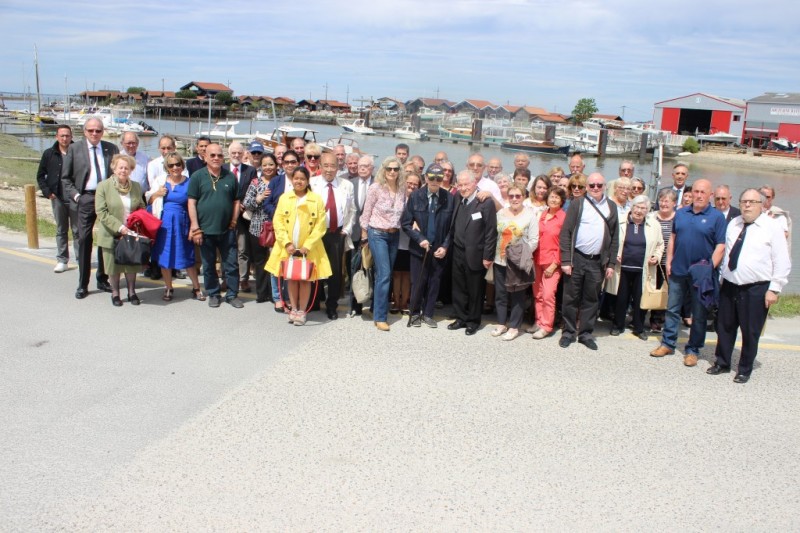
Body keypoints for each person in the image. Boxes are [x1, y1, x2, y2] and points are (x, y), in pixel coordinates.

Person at [707, 188, 791, 383]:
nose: (746, 205)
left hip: (756, 288)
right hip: (730, 284)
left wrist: (774, 288)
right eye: (744, 201)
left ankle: (744, 368)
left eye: (752, 202)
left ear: (761, 205)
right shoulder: (734, 224)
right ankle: (722, 362)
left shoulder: (772, 227)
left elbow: (782, 261)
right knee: (725, 326)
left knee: (750, 330)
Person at [650, 179, 727, 366]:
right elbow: (674, 238)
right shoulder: (682, 213)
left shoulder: (717, 217)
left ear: (710, 195)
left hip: (702, 274)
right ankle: (668, 343)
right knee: (673, 309)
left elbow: (721, 246)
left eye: (703, 192)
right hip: (678, 269)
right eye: (696, 192)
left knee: (699, 313)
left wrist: (710, 269)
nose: (699, 195)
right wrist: (668, 261)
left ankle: (693, 349)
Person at [559, 173, 619, 350]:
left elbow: (615, 238)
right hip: (577, 258)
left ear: (604, 186)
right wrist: (565, 260)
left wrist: (611, 264)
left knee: (591, 299)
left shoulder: (611, 206)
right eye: (591, 185)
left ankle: (585, 333)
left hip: (597, 261)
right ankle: (568, 332)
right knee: (570, 298)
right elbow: (566, 233)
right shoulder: (578, 203)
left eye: (598, 185)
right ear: (587, 187)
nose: (595, 188)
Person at [266, 166, 332, 326]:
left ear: (307, 180)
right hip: (287, 247)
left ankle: (302, 311)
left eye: (302, 179)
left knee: (304, 279)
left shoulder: (315, 199)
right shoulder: (284, 198)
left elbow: (320, 226)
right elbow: (278, 221)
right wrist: (286, 243)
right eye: (296, 178)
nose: (299, 181)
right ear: (292, 179)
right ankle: (293, 308)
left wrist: (308, 245)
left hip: (307, 248)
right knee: (291, 278)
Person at [61, 117, 118, 298]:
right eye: (91, 130)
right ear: (84, 131)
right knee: (85, 240)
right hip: (85, 197)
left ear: (103, 131)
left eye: (98, 130)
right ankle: (82, 284)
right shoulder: (74, 148)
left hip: (106, 198)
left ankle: (102, 279)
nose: (95, 133)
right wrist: (77, 196)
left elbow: (117, 173)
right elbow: (65, 178)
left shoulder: (111, 148)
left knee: (106, 239)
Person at [187, 143, 243, 309]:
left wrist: (233, 220)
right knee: (209, 265)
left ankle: (232, 294)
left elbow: (236, 200)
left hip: (227, 230)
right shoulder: (197, 177)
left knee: (232, 264)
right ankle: (213, 293)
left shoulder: (230, 177)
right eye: (212, 155)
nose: (216, 158)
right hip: (205, 230)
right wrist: (195, 228)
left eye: (219, 155)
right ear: (205, 157)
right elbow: (191, 203)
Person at [402, 164, 454, 328]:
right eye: (431, 177)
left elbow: (452, 228)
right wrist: (420, 239)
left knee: (434, 282)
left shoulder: (449, 198)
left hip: (439, 249)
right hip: (420, 248)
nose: (435, 181)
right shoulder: (416, 196)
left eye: (438, 178)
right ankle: (415, 313)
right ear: (426, 178)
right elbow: (406, 223)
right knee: (418, 282)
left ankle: (429, 313)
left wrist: (445, 246)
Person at [605, 195, 664, 340]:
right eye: (637, 207)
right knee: (621, 299)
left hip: (643, 269)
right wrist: (614, 255)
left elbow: (660, 244)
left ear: (647, 210)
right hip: (622, 267)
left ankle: (638, 327)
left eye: (643, 208)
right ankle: (618, 325)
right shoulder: (621, 222)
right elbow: (610, 240)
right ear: (631, 208)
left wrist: (656, 257)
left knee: (640, 300)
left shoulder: (654, 225)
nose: (639, 211)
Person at [447, 170, 498, 336]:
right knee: (458, 287)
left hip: (476, 253)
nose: (463, 188)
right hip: (458, 251)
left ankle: (473, 321)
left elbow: (491, 231)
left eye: (466, 184)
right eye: (460, 185)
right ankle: (461, 318)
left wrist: (488, 256)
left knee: (475, 290)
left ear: (474, 183)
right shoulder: (457, 199)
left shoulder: (485, 202)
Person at [149, 152, 204, 302]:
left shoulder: (190, 182)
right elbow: (148, 200)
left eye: (177, 164)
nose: (175, 167)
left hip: (182, 224)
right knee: (165, 257)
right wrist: (156, 194)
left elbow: (194, 204)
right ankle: (168, 287)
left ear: (182, 165)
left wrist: (194, 227)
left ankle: (196, 287)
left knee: (187, 256)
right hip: (164, 225)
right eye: (171, 165)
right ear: (167, 167)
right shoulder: (160, 181)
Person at [360, 157, 406, 331]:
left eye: (395, 169)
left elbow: (402, 213)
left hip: (394, 234)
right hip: (377, 233)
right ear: (383, 170)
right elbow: (366, 213)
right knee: (385, 274)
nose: (392, 172)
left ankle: (374, 308)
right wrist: (364, 236)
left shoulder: (401, 189)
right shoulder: (375, 188)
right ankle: (380, 317)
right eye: (389, 169)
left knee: (384, 275)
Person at [94, 154, 146, 306]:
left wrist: (136, 222)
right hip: (111, 233)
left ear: (131, 170)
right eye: (120, 167)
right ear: (114, 168)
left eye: (127, 168)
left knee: (131, 265)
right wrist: (120, 227)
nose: (123, 170)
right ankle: (116, 293)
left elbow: (141, 206)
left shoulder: (136, 186)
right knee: (113, 266)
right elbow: (101, 212)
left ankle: (132, 292)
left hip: (131, 232)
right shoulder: (103, 186)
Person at [310, 152, 355, 320]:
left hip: (337, 233)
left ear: (338, 167)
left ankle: (332, 305)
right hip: (316, 234)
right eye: (326, 166)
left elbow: (352, 210)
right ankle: (314, 301)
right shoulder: (311, 184)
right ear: (320, 166)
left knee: (335, 272)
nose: (329, 170)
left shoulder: (346, 185)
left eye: (333, 166)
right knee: (314, 268)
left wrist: (347, 230)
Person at [491, 184, 538, 341]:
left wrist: (518, 255)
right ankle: (501, 323)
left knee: (518, 295)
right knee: (501, 294)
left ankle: (514, 326)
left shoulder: (530, 215)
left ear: (523, 197)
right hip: (500, 259)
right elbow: (494, 235)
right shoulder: (500, 214)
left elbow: (534, 241)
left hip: (518, 263)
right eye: (511, 196)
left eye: (518, 196)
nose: (514, 199)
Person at [37, 125, 78, 273]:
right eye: (62, 135)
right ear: (57, 137)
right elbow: (40, 175)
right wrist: (48, 193)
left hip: (75, 198)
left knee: (77, 230)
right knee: (61, 229)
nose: (65, 138)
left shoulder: (78, 152)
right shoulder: (49, 154)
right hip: (57, 197)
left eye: (67, 135)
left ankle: (80, 259)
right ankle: (62, 260)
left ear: (71, 136)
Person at [242, 153, 279, 304]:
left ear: (276, 165)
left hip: (277, 227)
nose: (268, 168)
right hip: (258, 227)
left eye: (271, 164)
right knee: (260, 261)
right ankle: (262, 293)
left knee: (275, 261)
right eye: (265, 165)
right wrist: (259, 198)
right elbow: (247, 203)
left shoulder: (281, 181)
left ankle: (275, 293)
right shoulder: (255, 182)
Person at [532, 186, 566, 339]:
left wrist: (555, 264)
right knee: (537, 294)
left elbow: (564, 243)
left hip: (552, 262)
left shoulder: (563, 217)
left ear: (561, 201)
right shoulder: (542, 214)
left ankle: (547, 326)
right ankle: (539, 322)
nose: (553, 199)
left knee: (548, 295)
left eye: (556, 197)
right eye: (551, 196)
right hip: (537, 259)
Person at [224, 141, 257, 293]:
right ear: (229, 154)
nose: (236, 155)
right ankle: (226, 278)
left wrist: (243, 204)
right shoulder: (222, 169)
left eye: (239, 153)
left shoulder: (250, 171)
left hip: (243, 217)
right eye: (233, 153)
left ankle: (243, 279)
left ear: (244, 153)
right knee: (226, 248)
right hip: (225, 215)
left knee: (243, 249)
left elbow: (253, 189)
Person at [647, 188, 678, 332]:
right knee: (651, 289)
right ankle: (645, 318)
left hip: (669, 262)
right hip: (652, 261)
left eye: (667, 201)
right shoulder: (651, 216)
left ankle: (658, 320)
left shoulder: (678, 218)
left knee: (665, 292)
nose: (664, 203)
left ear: (674, 203)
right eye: (661, 200)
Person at [348, 155, 374, 317]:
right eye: (360, 165)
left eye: (365, 166)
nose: (362, 168)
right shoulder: (351, 184)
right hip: (355, 234)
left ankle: (373, 306)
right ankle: (354, 306)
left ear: (372, 168)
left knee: (373, 271)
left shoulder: (378, 185)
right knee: (354, 269)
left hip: (373, 234)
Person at [392, 172, 421, 314]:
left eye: (415, 184)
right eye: (409, 182)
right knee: (397, 274)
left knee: (408, 275)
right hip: (396, 241)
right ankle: (396, 302)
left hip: (411, 242)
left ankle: (404, 303)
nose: (412, 186)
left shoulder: (420, 200)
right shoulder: (398, 197)